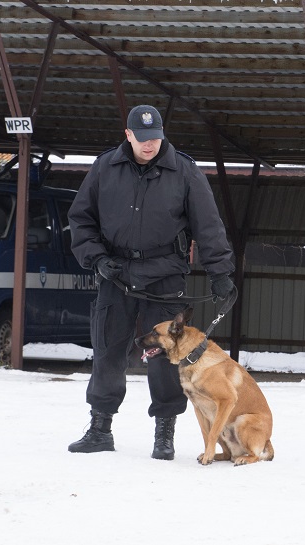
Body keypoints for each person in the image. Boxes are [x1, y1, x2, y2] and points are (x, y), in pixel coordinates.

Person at [67, 105, 236, 460]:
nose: (149, 145)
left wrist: (221, 272)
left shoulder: (185, 171)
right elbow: (81, 219)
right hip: (116, 275)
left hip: (164, 278)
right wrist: (97, 259)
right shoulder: (104, 168)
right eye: (142, 139)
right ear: (128, 134)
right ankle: (100, 428)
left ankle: (164, 433)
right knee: (109, 351)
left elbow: (208, 225)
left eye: (155, 138)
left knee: (164, 356)